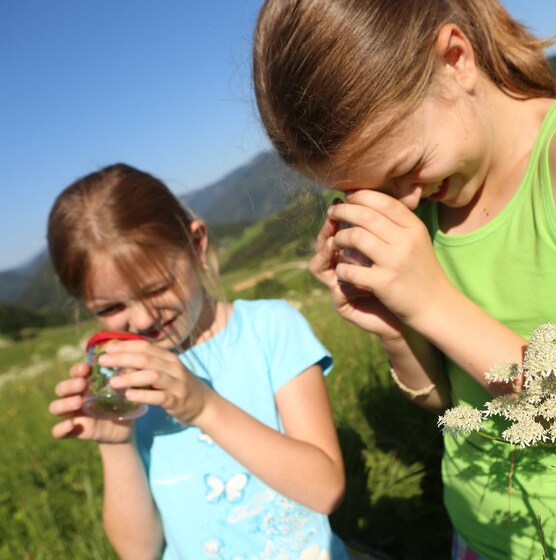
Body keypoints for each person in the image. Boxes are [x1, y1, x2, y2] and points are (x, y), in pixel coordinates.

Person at [252, 0, 556, 558]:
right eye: (370, 193)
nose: (401, 203)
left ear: (456, 59)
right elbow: (448, 402)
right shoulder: (431, 202)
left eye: (405, 170)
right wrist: (393, 327)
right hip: (478, 536)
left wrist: (432, 304)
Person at [47, 163, 349, 560]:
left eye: (156, 288)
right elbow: (138, 551)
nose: (140, 319)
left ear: (198, 246)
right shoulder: (123, 378)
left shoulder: (272, 330)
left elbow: (325, 489)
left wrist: (204, 407)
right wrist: (116, 444)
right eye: (110, 306)